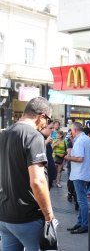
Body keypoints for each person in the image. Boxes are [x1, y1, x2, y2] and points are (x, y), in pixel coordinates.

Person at [0, 96, 54, 250]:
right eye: (47, 120)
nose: (46, 124)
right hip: (28, 217)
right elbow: (38, 181)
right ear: (41, 116)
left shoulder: (5, 133)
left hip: (5, 216)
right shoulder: (33, 136)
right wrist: (48, 213)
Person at [65, 122, 90, 234]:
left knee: (82, 201)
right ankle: (80, 222)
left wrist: (68, 157)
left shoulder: (80, 140)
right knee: (81, 200)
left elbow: (79, 158)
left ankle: (84, 224)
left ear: (74, 130)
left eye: (71, 130)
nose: (70, 132)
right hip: (84, 173)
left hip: (79, 174)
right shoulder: (87, 139)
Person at [39, 120, 57, 190]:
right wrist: (46, 142)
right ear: (43, 128)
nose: (53, 130)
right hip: (43, 175)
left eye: (53, 128)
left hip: (49, 174)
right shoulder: (39, 138)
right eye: (50, 128)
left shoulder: (47, 138)